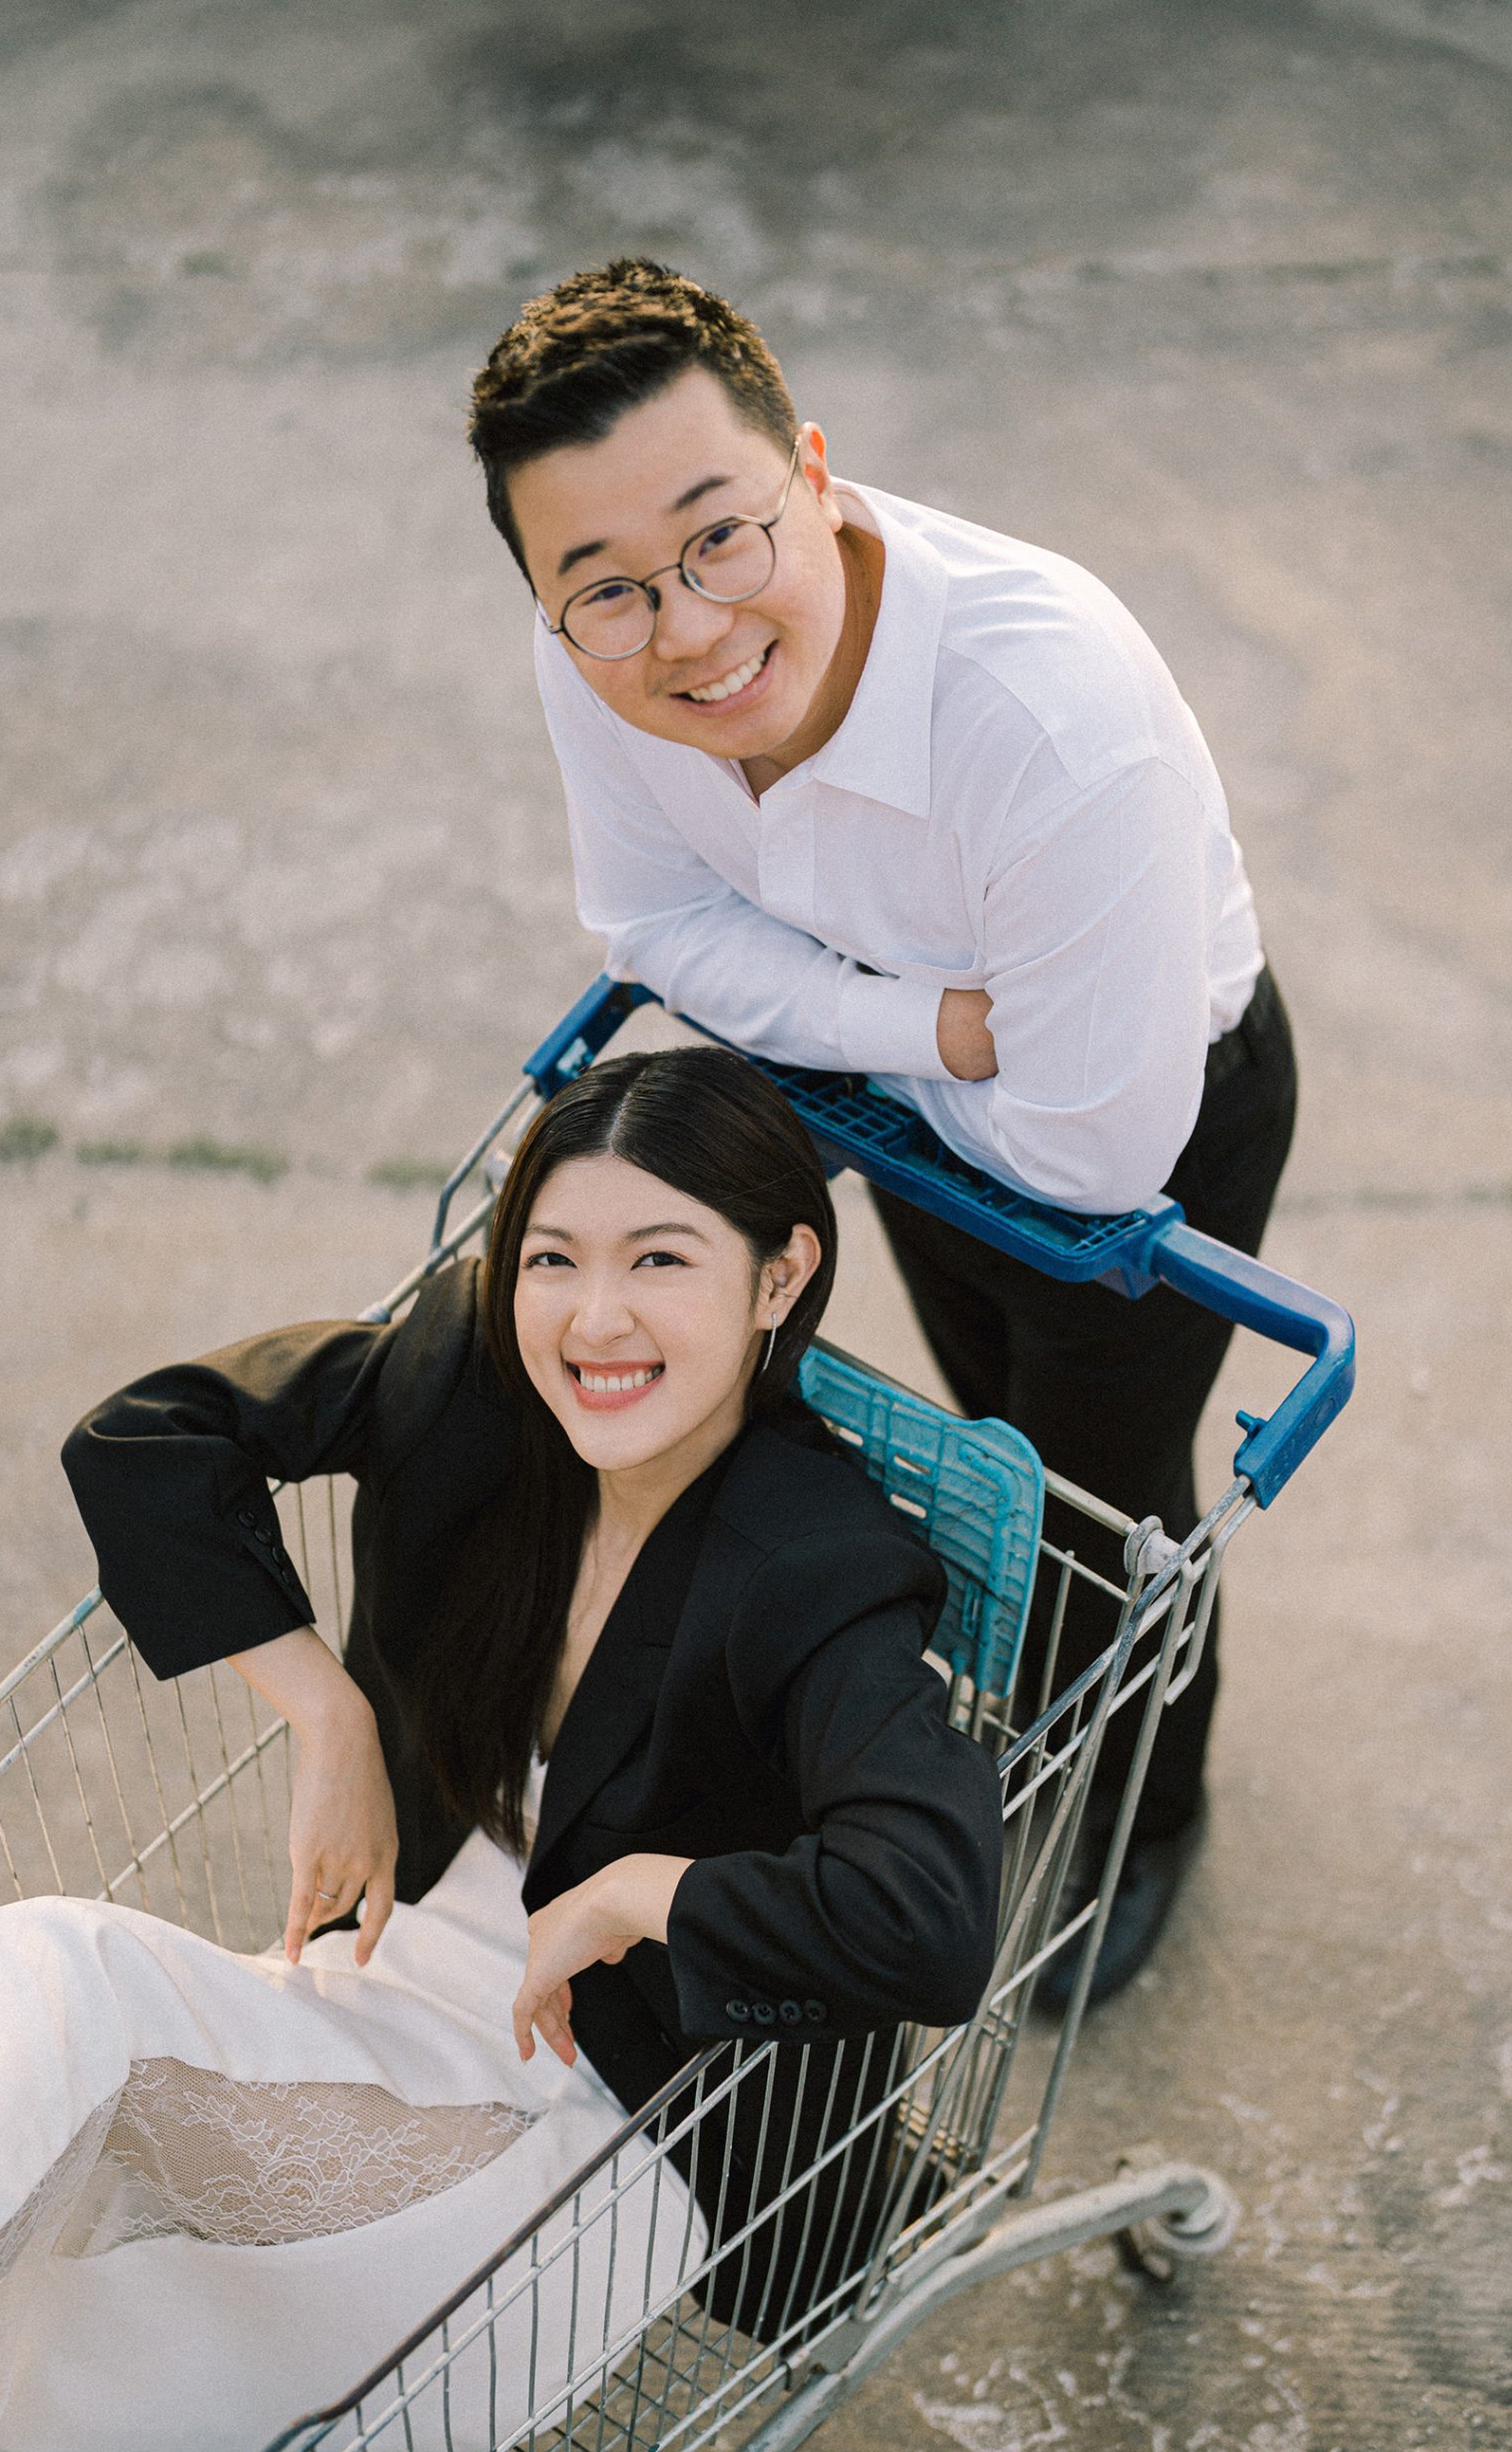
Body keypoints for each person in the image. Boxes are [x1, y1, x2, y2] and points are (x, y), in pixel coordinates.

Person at [0, 1046, 1003, 2452]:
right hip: (388, 1988)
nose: (594, 1319)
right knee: (60, 1990)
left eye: (661, 1260)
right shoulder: (474, 1382)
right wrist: (329, 1713)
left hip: (608, 2134)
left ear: (780, 1277)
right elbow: (149, 1440)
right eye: (552, 1258)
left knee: (71, 2304)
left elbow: (930, 1913)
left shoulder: (818, 1565)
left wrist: (643, 1896)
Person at [465, 258, 1299, 2004]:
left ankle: (1146, 1813)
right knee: (993, 1448)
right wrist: (922, 1028)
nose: (685, 630)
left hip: (1143, 1127)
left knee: (1098, 1521)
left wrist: (836, 1030)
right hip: (919, 1082)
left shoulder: (1052, 725)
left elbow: (1084, 1157)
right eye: (604, 588)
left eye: (722, 538)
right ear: (550, 596)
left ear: (818, 475)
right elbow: (653, 925)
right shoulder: (593, 650)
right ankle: (1010, 1724)